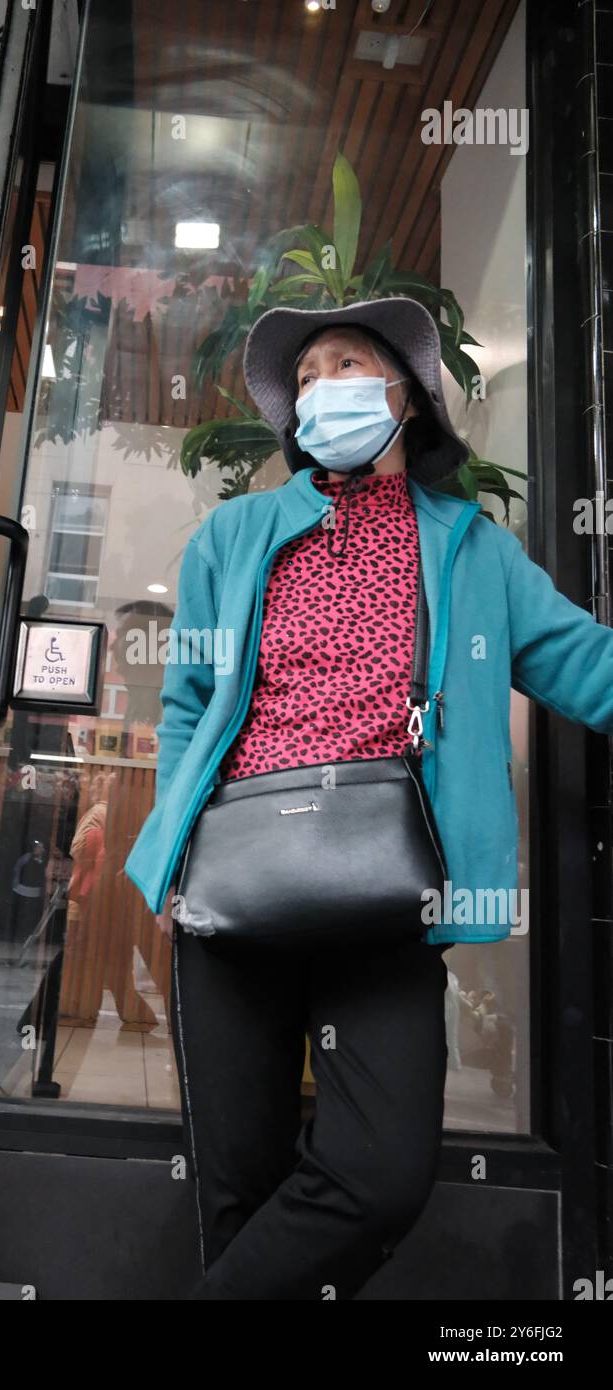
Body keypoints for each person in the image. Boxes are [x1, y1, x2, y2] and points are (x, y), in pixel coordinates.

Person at [123, 295, 613, 1300]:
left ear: (404, 393)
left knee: (379, 1176)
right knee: (238, 1191)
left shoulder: (469, 548)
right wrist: (171, 860)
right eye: (302, 378)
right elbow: (184, 708)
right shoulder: (235, 533)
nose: (318, 388)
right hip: (232, 883)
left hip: (390, 888)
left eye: (341, 365)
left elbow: (586, 665)